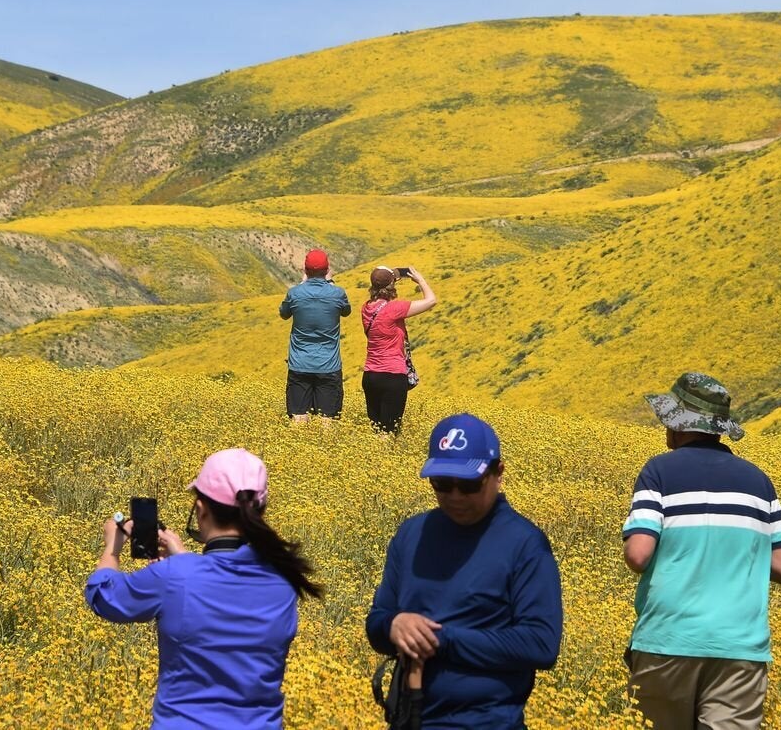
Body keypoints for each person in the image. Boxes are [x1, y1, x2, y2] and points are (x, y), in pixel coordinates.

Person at [84, 448, 322, 729]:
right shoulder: (283, 580)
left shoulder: (176, 576)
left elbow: (103, 596)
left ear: (200, 509)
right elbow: (226, 595)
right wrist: (184, 560)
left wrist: (112, 548)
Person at [366, 413, 563, 728]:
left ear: (498, 473)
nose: (455, 496)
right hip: (410, 717)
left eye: (469, 485)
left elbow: (541, 644)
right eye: (442, 484)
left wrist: (442, 641)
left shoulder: (525, 544)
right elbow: (377, 621)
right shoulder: (412, 534)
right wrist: (394, 626)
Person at [622, 372, 781, 730]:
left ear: (677, 425)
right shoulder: (758, 482)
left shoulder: (658, 472)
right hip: (739, 648)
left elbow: (638, 555)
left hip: (668, 641)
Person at [361, 265, 436, 433]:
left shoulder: (366, 308)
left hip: (370, 375)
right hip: (392, 376)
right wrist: (420, 280)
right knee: (388, 432)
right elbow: (431, 300)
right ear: (392, 285)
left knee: (376, 430)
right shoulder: (395, 309)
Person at [279, 248, 351, 422]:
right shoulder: (338, 293)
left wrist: (302, 284)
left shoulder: (294, 293)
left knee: (298, 417)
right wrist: (330, 283)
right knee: (328, 419)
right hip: (329, 365)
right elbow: (346, 311)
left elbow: (284, 314)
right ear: (327, 270)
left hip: (299, 364)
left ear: (305, 270)